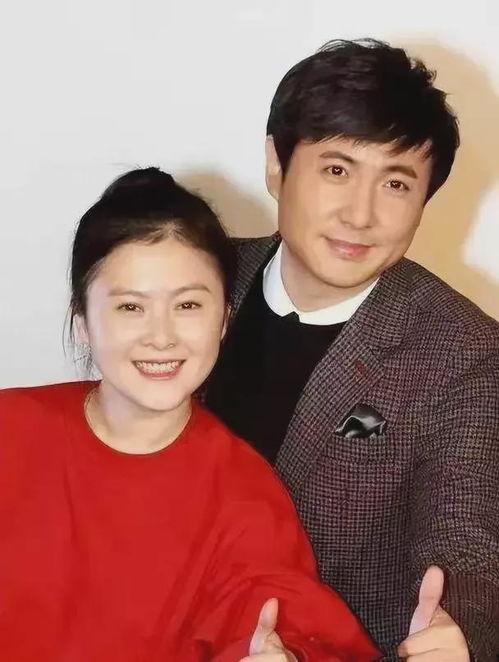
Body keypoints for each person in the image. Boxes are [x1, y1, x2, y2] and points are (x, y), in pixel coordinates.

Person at [0, 168, 379, 662]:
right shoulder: (12, 428)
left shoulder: (244, 496)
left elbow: (299, 633)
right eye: (131, 308)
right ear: (83, 324)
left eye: (188, 305)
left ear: (223, 320)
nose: (162, 337)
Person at [205, 39, 499, 660]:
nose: (361, 215)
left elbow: (466, 538)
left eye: (396, 183)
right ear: (277, 164)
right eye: (337, 171)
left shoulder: (464, 352)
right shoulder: (199, 280)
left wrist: (460, 630)